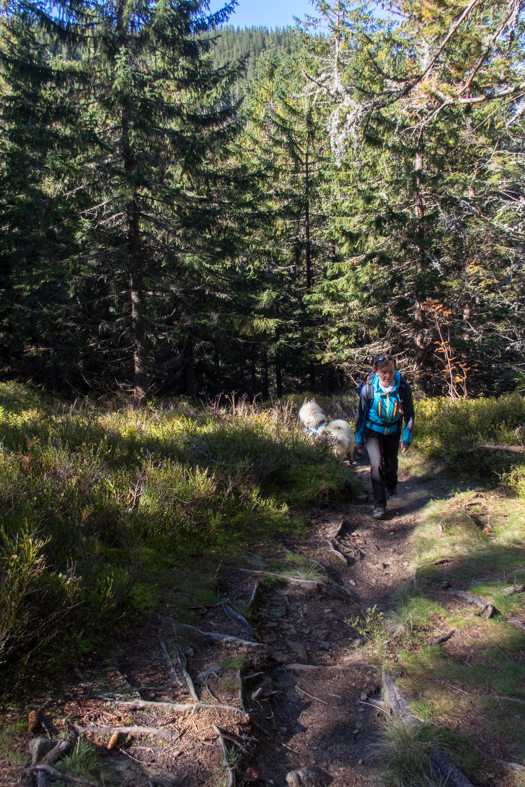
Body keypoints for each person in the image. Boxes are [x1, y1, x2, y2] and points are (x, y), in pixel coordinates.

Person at [355, 355, 414, 520]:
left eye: (390, 372)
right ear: (376, 372)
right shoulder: (369, 389)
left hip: (393, 431)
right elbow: (360, 417)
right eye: (383, 373)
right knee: (377, 464)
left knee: (391, 462)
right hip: (373, 431)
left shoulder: (403, 388)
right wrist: (359, 441)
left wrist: (406, 437)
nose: (387, 376)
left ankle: (392, 489)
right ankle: (379, 505)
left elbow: (409, 415)